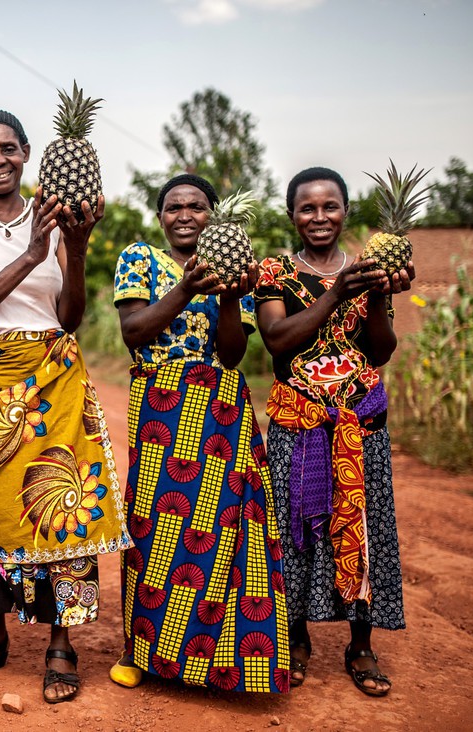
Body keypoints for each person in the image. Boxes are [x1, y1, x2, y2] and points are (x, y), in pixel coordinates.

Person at [0, 109, 128, 705]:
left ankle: (61, 645)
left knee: (66, 509)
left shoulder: (58, 211)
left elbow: (70, 316)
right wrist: (31, 252)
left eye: (8, 148)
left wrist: (76, 241)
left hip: (55, 376)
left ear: (26, 153)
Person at [108, 174, 289, 693]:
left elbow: (233, 354)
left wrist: (230, 294)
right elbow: (133, 332)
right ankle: (142, 652)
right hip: (163, 406)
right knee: (155, 529)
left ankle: (225, 661)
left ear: (213, 214)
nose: (184, 214)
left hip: (223, 406)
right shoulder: (138, 258)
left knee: (231, 531)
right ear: (160, 216)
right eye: (172, 207)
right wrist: (187, 287)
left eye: (196, 206)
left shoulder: (236, 264)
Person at [255, 167, 414, 697]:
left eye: (330, 207)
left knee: (361, 529)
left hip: (358, 422)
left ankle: (360, 644)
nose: (319, 217)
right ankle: (296, 638)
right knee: (296, 530)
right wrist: (336, 293)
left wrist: (373, 295)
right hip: (297, 424)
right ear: (292, 214)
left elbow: (382, 349)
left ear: (346, 210)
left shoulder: (370, 270)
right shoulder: (272, 271)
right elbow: (278, 340)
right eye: (307, 208)